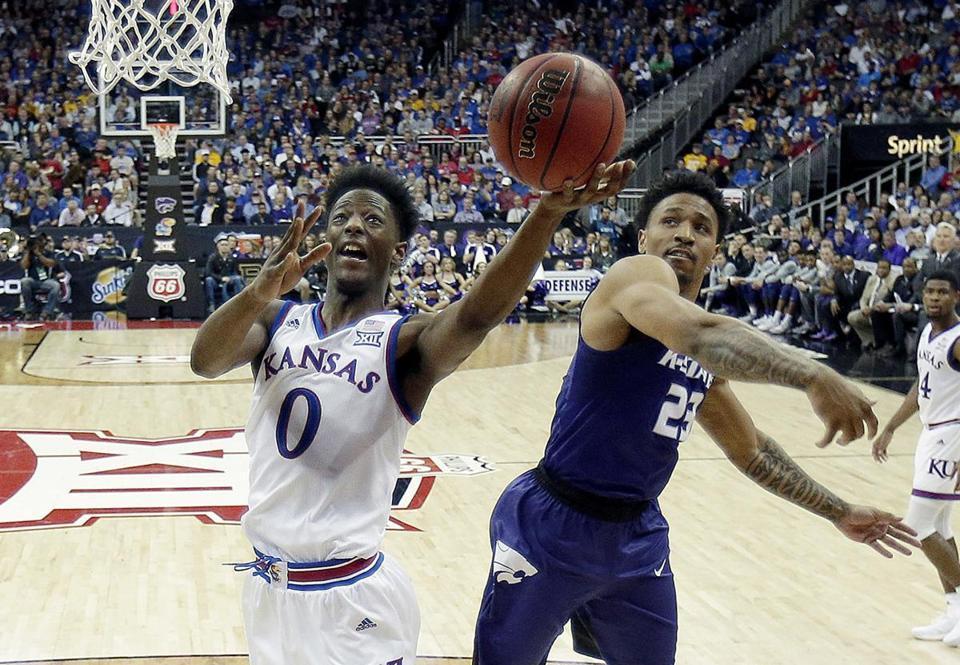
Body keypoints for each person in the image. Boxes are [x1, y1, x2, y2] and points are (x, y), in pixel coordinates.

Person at [189, 161, 635, 664]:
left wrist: (546, 214)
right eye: (342, 217)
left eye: (373, 220)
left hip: (350, 598)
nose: (354, 225)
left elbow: (478, 315)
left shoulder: (404, 343)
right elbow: (204, 361)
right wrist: (256, 293)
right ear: (326, 238)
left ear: (398, 252)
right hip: (267, 591)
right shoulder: (275, 320)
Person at [473, 171, 920, 665]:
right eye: (671, 220)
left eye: (702, 228)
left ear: (714, 251)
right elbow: (699, 333)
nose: (686, 233)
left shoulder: (703, 349)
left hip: (637, 538)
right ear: (644, 238)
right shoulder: (635, 277)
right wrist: (813, 375)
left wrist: (837, 510)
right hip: (553, 525)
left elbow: (751, 450)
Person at [872, 270, 960, 647]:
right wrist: (891, 426)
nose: (934, 298)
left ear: (956, 296)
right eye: (929, 292)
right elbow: (920, 386)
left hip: (953, 434)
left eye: (942, 292)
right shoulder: (927, 332)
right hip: (931, 432)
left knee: (918, 525)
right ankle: (954, 610)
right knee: (941, 528)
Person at [20, 234, 62, 321]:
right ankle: (29, 310)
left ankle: (47, 311)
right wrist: (28, 251)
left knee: (55, 285)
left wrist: (39, 255)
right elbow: (24, 266)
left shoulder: (48, 253)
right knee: (24, 281)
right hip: (33, 281)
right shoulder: (29, 254)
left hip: (46, 281)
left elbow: (51, 264)